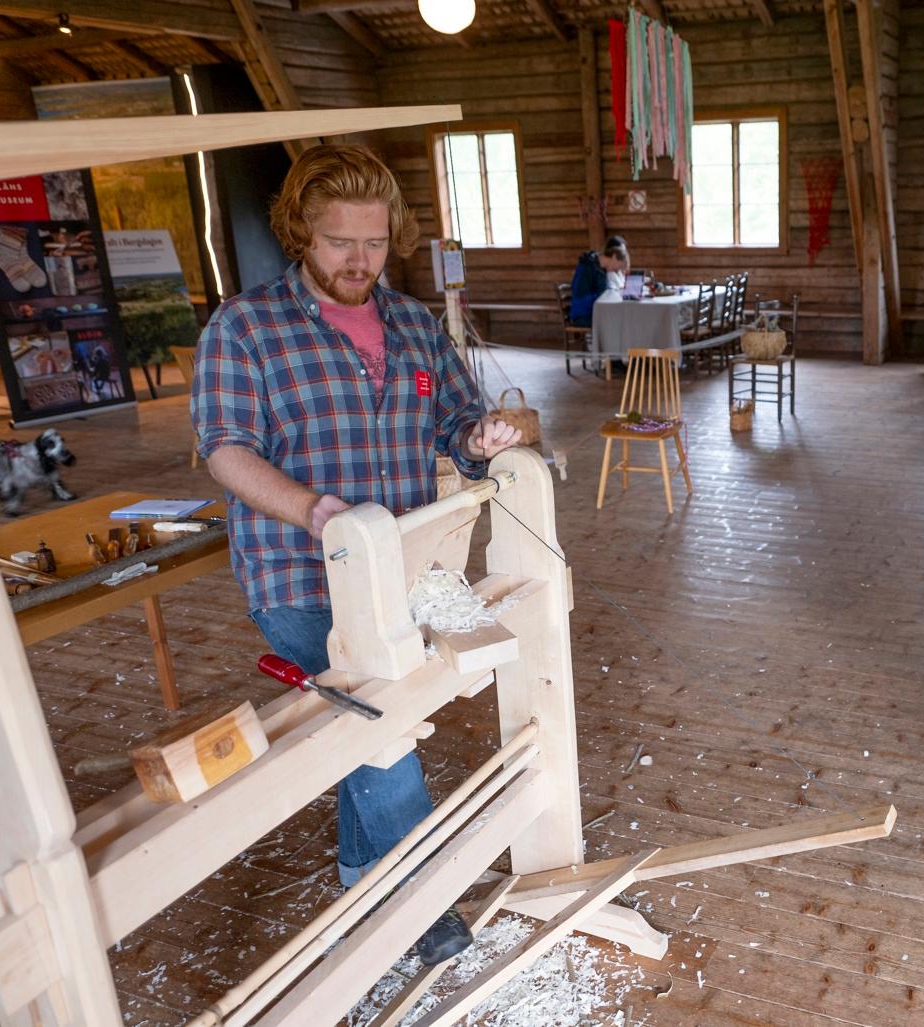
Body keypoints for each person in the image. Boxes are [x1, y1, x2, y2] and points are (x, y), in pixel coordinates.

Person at [191, 143, 521, 966]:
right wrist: (316, 511)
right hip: (298, 571)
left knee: (361, 725)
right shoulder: (246, 328)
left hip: (402, 566)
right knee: (383, 719)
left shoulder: (412, 323)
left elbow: (456, 423)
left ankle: (359, 872)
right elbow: (225, 449)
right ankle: (424, 899)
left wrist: (479, 438)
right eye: (341, 242)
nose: (360, 261)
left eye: (375, 243)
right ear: (301, 230)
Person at [569, 234, 630, 326]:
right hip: (583, 315)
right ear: (613, 257)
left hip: (597, 312)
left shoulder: (602, 268)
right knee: (617, 323)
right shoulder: (587, 267)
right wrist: (603, 296)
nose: (618, 269)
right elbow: (581, 298)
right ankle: (605, 341)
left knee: (623, 320)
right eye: (619, 265)